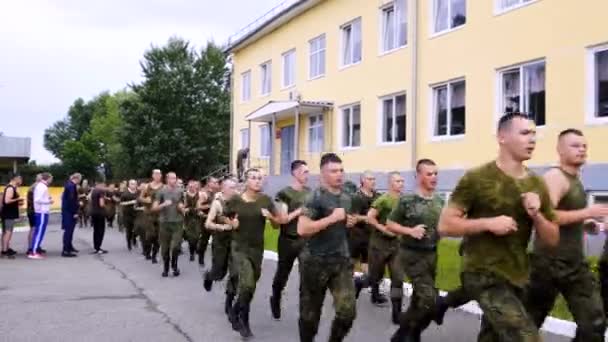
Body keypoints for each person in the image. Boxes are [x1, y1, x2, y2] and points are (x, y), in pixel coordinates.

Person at [437, 113, 558, 341]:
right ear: (502, 137)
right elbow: (445, 225)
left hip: (518, 275)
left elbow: (552, 239)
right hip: (482, 273)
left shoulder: (537, 184)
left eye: (534, 134)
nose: (532, 139)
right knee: (526, 337)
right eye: (524, 133)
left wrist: (537, 214)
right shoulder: (477, 178)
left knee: (493, 337)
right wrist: (488, 223)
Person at [526, 129, 607, 341]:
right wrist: (587, 212)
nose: (582, 150)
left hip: (574, 264)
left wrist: (583, 222)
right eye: (575, 146)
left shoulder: (575, 179)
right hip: (548, 263)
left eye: (584, 146)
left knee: (594, 322)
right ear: (560, 150)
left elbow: (566, 215)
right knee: (529, 322)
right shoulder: (555, 177)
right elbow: (545, 215)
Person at [297, 153, 357, 342]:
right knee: (310, 316)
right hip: (315, 261)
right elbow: (302, 229)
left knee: (347, 312)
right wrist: (331, 219)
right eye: (333, 171)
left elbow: (343, 221)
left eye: (341, 170)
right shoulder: (314, 197)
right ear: (323, 174)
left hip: (340, 261)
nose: (339, 174)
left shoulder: (347, 197)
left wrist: (349, 221)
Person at [387, 160, 445, 341]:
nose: (434, 177)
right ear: (419, 176)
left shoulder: (440, 200)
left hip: (432, 254)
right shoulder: (407, 200)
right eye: (429, 174)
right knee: (429, 299)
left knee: (419, 300)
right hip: (412, 254)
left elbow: (444, 226)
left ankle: (406, 334)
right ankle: (408, 330)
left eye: (436, 174)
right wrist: (410, 231)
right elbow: (390, 223)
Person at [227, 169, 283, 338]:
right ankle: (243, 320)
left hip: (257, 249)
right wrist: (231, 222)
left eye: (260, 178)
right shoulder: (235, 200)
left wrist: (271, 218)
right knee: (247, 284)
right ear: (246, 181)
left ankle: (236, 310)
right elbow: (223, 216)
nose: (258, 181)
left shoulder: (265, 200)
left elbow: (278, 223)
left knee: (250, 287)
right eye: (254, 178)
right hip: (239, 248)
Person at [269, 160, 311, 320]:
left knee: (307, 276)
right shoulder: (284, 194)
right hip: (287, 240)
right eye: (305, 172)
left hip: (305, 241)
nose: (307, 175)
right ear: (295, 173)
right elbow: (283, 219)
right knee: (282, 274)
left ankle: (305, 310)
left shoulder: (310, 192)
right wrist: (299, 211)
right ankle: (276, 297)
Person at [366, 171, 405, 324]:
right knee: (375, 277)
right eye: (397, 181)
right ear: (390, 183)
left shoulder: (404, 201)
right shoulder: (383, 200)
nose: (401, 184)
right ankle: (366, 288)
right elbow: (370, 217)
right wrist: (384, 229)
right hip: (379, 245)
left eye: (402, 181)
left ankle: (397, 313)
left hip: (396, 246)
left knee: (398, 279)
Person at [203, 178, 239, 316]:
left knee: (235, 273)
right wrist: (222, 227)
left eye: (235, 187)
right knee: (219, 273)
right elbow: (208, 223)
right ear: (223, 189)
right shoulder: (217, 203)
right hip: (220, 242)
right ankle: (209, 276)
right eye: (231, 187)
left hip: (235, 241)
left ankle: (229, 301)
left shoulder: (238, 201)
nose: (234, 190)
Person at [349, 172, 380, 297]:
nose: (373, 181)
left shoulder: (377, 196)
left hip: (371, 236)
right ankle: (346, 287)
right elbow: (353, 216)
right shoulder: (356, 197)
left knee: (371, 267)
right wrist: (368, 218)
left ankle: (374, 292)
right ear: (362, 180)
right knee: (350, 264)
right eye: (370, 179)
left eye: (374, 179)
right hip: (356, 236)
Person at [153, 172, 185, 278]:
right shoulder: (161, 191)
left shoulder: (180, 191)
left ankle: (174, 265)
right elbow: (154, 208)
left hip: (177, 222)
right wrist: (163, 204)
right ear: (167, 179)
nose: (173, 180)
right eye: (171, 178)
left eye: (175, 178)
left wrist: (181, 207)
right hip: (164, 223)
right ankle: (166, 268)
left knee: (175, 247)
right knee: (165, 248)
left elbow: (183, 204)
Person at [140, 169, 164, 263]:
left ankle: (154, 254)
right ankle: (147, 250)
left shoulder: (164, 187)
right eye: (156, 174)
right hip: (149, 213)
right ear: (153, 175)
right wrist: (146, 200)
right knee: (150, 235)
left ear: (161, 176)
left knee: (158, 235)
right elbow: (140, 198)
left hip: (160, 214)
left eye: (159, 174)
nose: (157, 175)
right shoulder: (147, 186)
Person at [29, 172, 54, 259]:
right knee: (39, 232)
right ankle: (34, 252)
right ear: (47, 178)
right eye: (51, 178)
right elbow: (37, 200)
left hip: (42, 211)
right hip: (41, 212)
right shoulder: (42, 187)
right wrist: (48, 201)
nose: (52, 180)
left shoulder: (42, 186)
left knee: (39, 232)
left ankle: (34, 250)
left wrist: (47, 199)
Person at [196, 177, 220, 266]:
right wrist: (211, 205)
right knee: (204, 240)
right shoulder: (204, 194)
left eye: (216, 182)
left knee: (216, 241)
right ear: (209, 183)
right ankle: (201, 258)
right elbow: (198, 206)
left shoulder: (217, 193)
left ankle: (215, 261)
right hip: (206, 220)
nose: (216, 184)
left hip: (215, 220)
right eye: (214, 182)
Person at [1, 174, 24, 258]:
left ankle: (6, 248)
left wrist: (17, 202)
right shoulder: (10, 188)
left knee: (6, 232)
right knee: (8, 232)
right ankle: (5, 251)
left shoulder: (12, 188)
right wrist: (18, 199)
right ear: (16, 179)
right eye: (20, 179)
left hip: (9, 213)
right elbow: (7, 201)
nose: (21, 181)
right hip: (8, 213)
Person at [61, 173, 82, 257]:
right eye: (80, 179)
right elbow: (71, 200)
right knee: (68, 231)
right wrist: (75, 212)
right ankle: (66, 250)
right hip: (69, 212)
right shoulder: (71, 186)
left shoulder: (69, 185)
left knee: (70, 230)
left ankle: (69, 246)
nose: (80, 181)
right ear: (77, 178)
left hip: (67, 211)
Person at [183, 180, 200, 261]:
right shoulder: (185, 195)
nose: (191, 188)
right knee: (190, 237)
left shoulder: (199, 194)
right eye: (190, 186)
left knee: (196, 236)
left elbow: (200, 205)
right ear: (188, 187)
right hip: (188, 219)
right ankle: (191, 253)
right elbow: (183, 206)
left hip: (197, 218)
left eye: (193, 186)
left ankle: (195, 246)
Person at [90, 180, 108, 254]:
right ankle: (98, 248)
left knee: (95, 230)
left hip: (93, 212)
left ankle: (96, 247)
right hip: (100, 213)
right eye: (103, 186)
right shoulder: (101, 192)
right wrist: (105, 205)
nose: (104, 187)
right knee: (101, 231)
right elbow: (101, 204)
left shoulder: (93, 191)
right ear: (100, 185)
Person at [120, 179, 139, 251]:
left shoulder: (138, 193)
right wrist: (130, 202)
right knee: (129, 230)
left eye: (135, 184)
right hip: (127, 214)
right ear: (129, 185)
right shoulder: (125, 194)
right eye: (132, 184)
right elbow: (121, 203)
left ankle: (134, 238)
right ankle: (129, 244)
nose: (134, 185)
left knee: (137, 228)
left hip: (136, 214)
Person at [26, 174, 42, 254]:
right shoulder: (36, 187)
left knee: (34, 228)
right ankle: (31, 247)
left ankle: (34, 246)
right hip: (33, 211)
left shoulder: (33, 186)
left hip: (31, 210)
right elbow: (36, 200)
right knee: (34, 228)